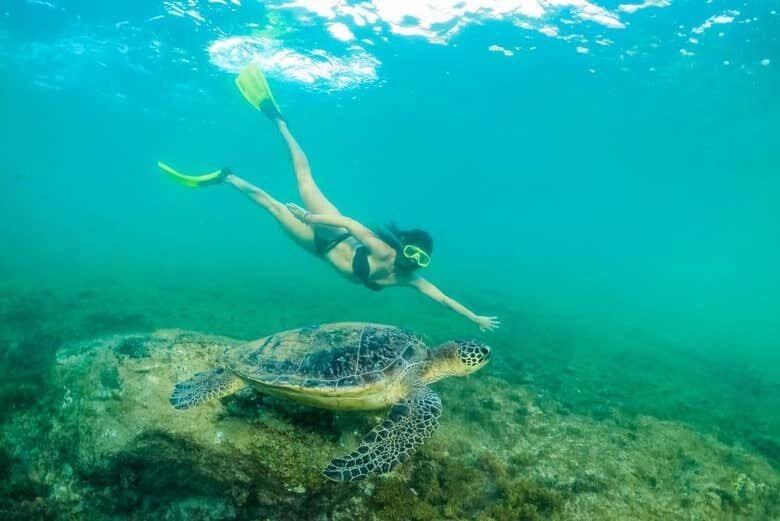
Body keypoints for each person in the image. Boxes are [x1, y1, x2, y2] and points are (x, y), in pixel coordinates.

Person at [158, 64, 499, 331]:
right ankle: (277, 119)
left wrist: (475, 319)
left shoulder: (410, 280)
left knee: (272, 207)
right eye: (411, 251)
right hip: (333, 232)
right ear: (402, 245)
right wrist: (312, 219)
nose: (411, 261)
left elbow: (442, 299)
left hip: (318, 249)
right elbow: (350, 223)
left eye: (420, 259)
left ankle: (225, 177)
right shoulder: (384, 250)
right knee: (304, 179)